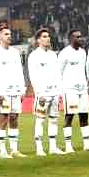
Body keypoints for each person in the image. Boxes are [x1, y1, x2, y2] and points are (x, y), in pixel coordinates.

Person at [0, 23, 27, 158]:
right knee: (3, 120)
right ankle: (2, 151)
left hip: (16, 91)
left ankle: (14, 150)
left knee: (14, 119)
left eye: (10, 34)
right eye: (6, 34)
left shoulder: (15, 52)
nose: (9, 36)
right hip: (3, 92)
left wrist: (22, 89)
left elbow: (20, 72)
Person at [26, 27, 61, 157]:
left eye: (48, 36)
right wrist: (38, 93)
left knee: (54, 120)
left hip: (55, 92)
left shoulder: (53, 55)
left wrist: (59, 91)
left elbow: (58, 74)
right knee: (40, 120)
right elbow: (33, 76)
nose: (48, 38)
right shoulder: (34, 56)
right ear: (38, 40)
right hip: (43, 94)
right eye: (44, 37)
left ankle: (53, 147)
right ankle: (39, 148)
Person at [58, 31, 89, 154]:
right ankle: (68, 145)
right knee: (69, 116)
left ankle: (87, 144)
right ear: (71, 38)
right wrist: (61, 91)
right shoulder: (64, 53)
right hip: (69, 89)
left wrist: (86, 83)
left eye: (80, 36)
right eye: (77, 37)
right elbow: (59, 72)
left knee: (84, 115)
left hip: (82, 89)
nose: (80, 38)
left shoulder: (83, 52)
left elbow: (83, 70)